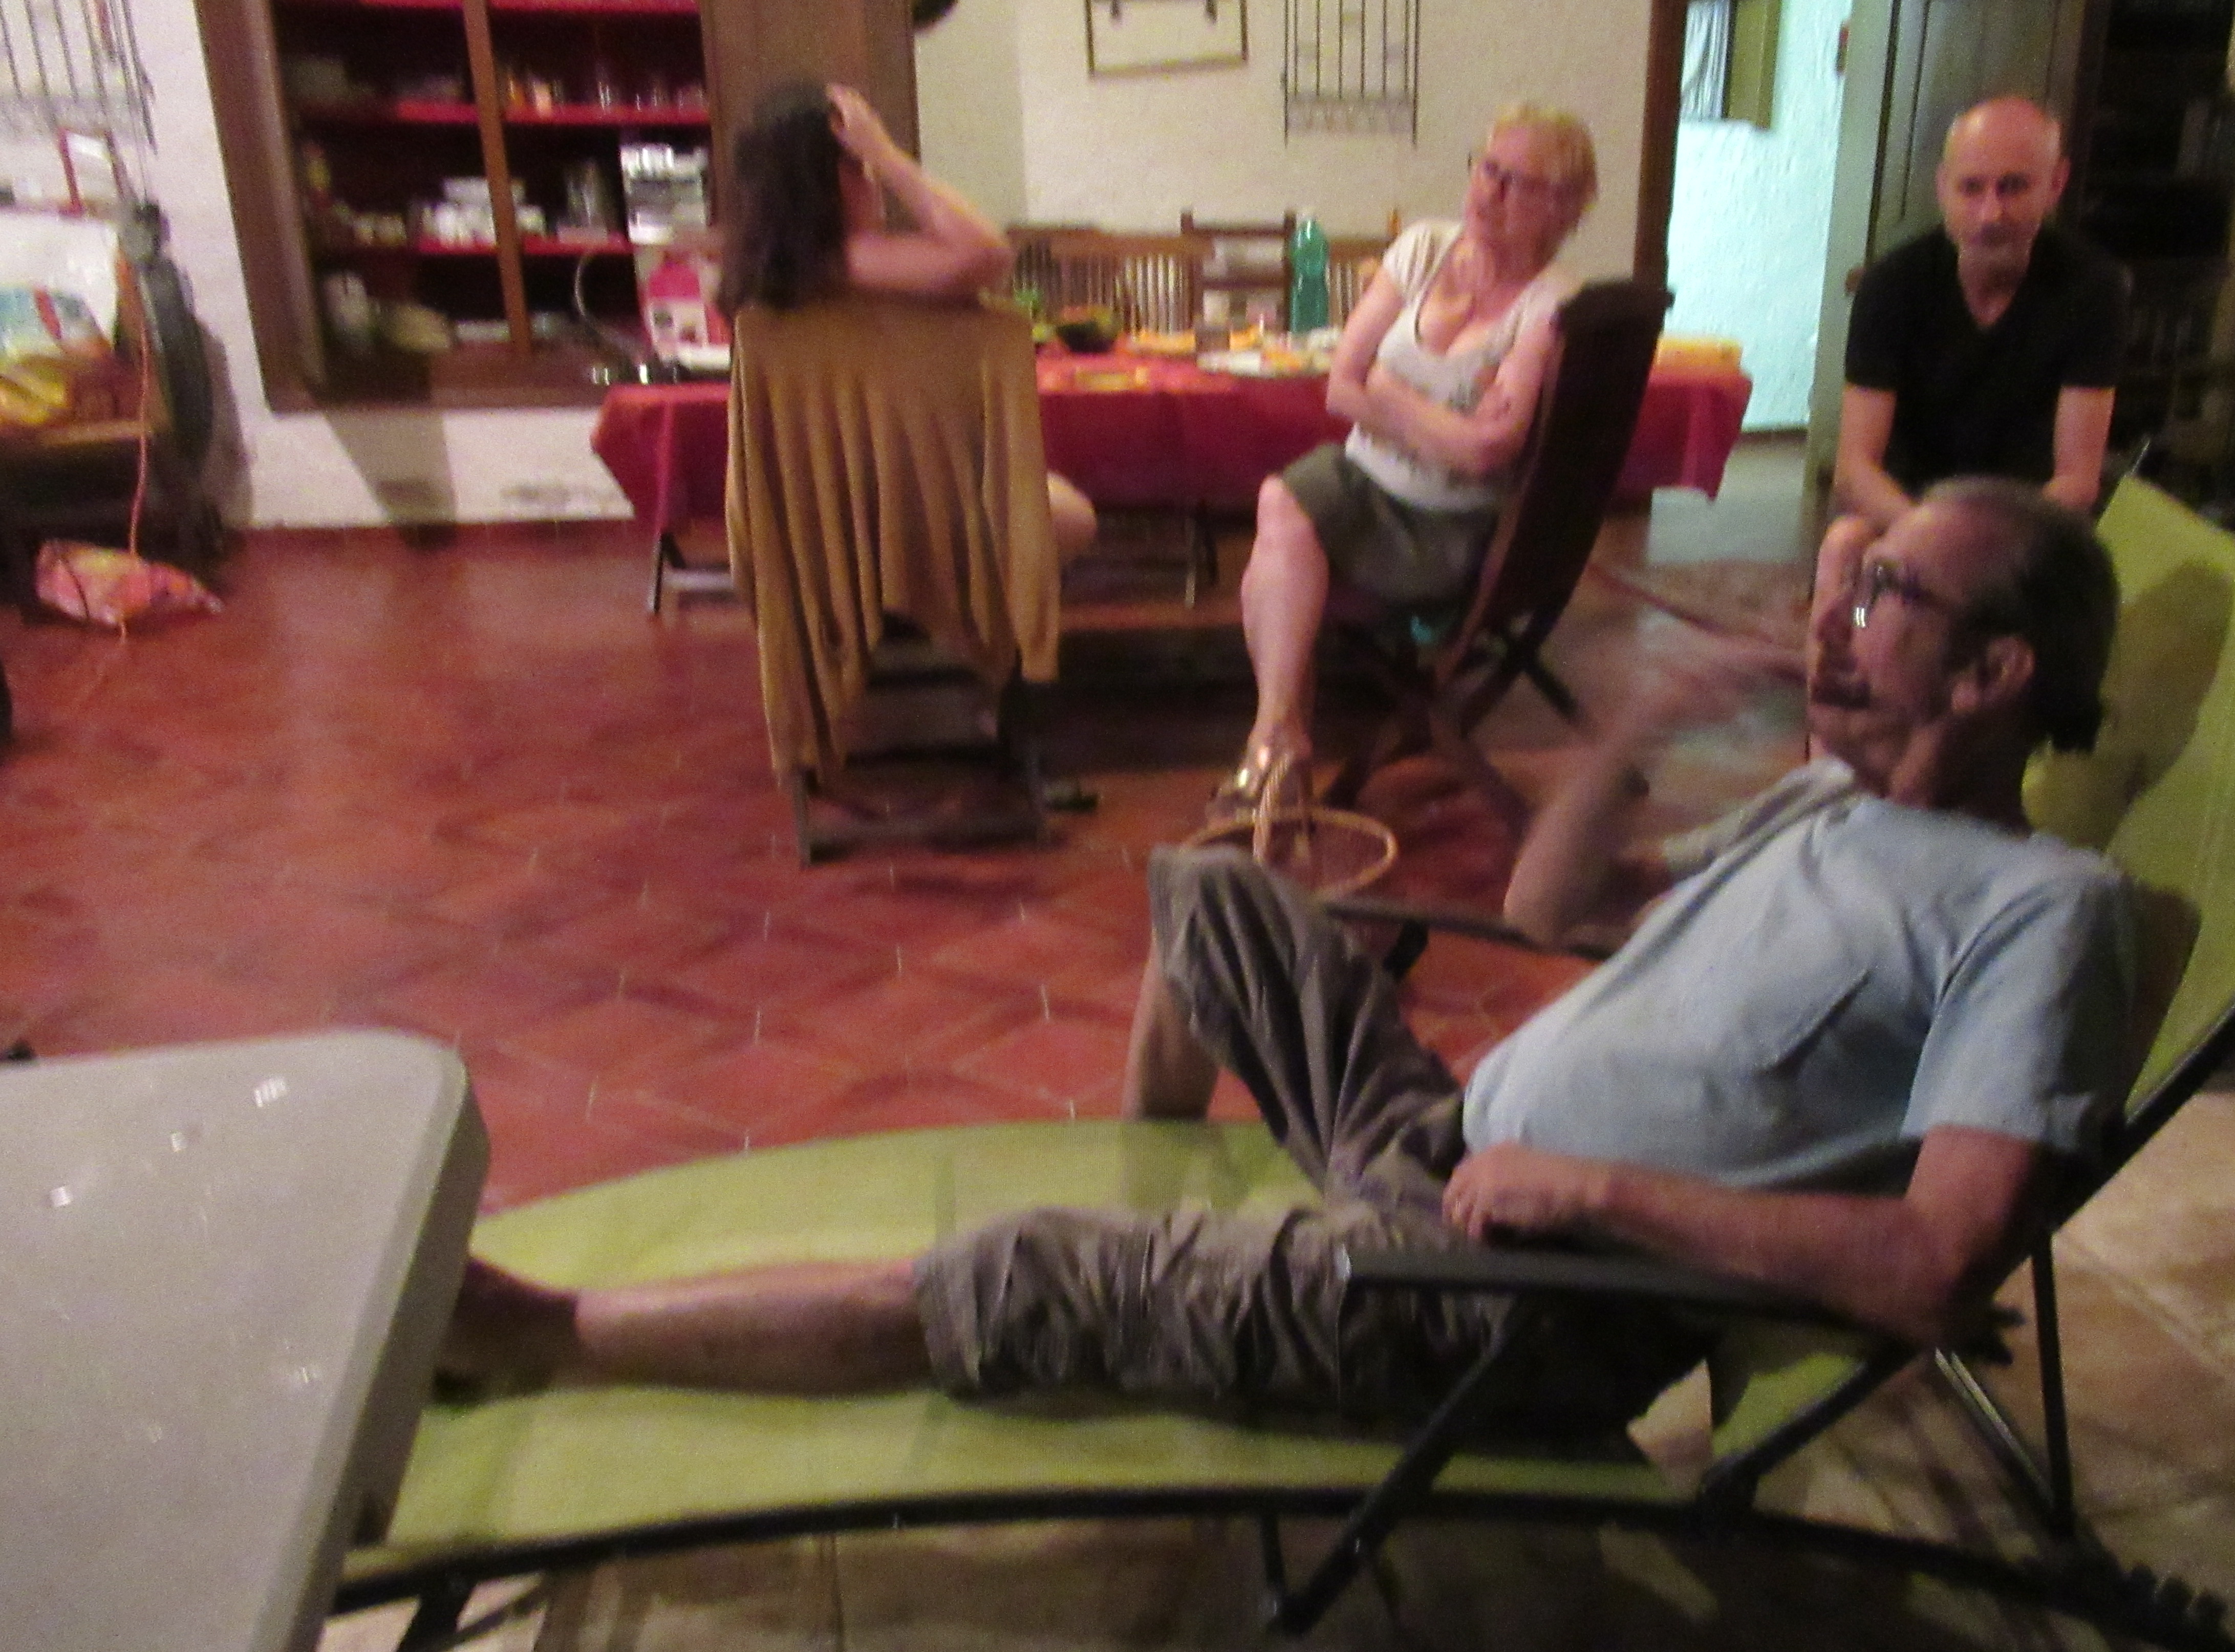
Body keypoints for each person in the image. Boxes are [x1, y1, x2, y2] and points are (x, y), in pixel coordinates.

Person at [449, 478, 2135, 1444]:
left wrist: (1589, 1195)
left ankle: (546, 1337)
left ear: (1993, 674)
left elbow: (1932, 1266)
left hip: (1519, 1299)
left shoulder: (2038, 913)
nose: (1833, 611)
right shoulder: (1827, 805)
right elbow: (1555, 905)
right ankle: (1169, 1213)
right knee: (1219, 888)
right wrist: (1647, 724)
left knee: (1029, 1272)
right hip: (1453, 1155)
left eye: (1882, 591)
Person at [1212, 105, 1597, 824]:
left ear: (1563, 205)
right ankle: (1279, 735)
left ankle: (1274, 754)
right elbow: (1339, 386)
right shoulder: (1423, 247)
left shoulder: (1553, 301)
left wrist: (1386, 391)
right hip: (1361, 482)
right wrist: (1440, 422)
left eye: (1517, 183)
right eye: (1487, 168)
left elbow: (1487, 452)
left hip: (1446, 527)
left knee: (1277, 548)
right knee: (1280, 504)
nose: (1489, 192)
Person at [717, 80, 1098, 561]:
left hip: (802, 525)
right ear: (828, 181)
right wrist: (889, 156)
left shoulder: (758, 279)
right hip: (905, 513)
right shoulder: (846, 264)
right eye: (859, 165)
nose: (873, 179)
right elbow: (987, 253)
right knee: (1071, 512)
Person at [1836, 97, 2130, 527]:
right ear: (1943, 187)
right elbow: (1855, 469)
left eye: (2013, 187)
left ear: (2056, 184)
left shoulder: (2093, 289)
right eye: (1971, 188)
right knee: (1843, 543)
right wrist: (1931, 535)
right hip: (1910, 513)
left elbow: (2077, 481)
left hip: (2025, 525)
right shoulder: (1890, 285)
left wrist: (1980, 546)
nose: (1990, 214)